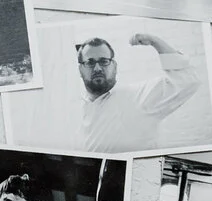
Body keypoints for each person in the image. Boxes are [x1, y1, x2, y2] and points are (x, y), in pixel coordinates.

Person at [67, 31, 198, 152]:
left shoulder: (138, 97)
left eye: (104, 61)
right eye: (90, 63)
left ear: (115, 66)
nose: (97, 68)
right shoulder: (73, 111)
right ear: (80, 70)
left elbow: (186, 81)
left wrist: (155, 41)